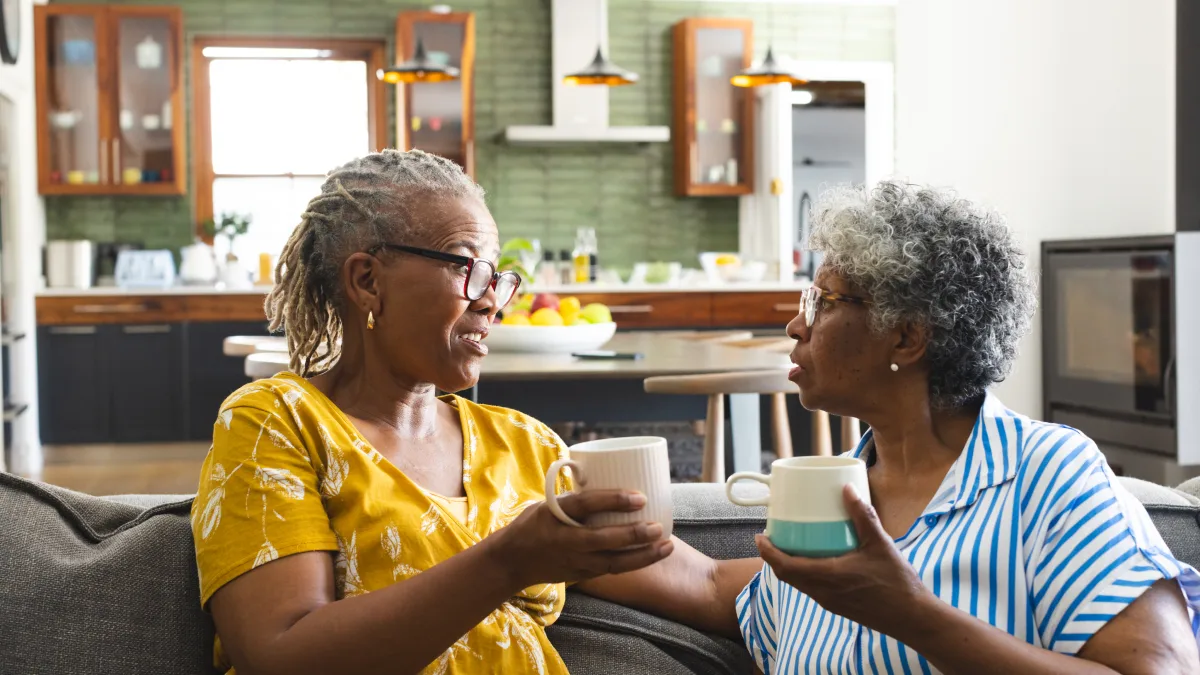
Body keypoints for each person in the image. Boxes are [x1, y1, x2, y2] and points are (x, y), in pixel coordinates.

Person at [190, 149, 760, 675]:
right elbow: (279, 655)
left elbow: (708, 584)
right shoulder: (277, 422)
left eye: (497, 275)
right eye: (467, 268)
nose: (492, 299)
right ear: (367, 281)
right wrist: (507, 563)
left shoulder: (523, 445)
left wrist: (843, 569)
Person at [737, 181, 1200, 673]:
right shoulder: (833, 486)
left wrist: (912, 614)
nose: (796, 325)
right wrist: (647, 542)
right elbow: (712, 587)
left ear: (907, 338)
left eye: (823, 301)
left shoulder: (1046, 473)